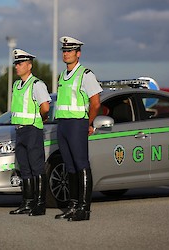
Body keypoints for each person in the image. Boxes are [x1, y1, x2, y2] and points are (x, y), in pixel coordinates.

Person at [54, 36, 102, 221]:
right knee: (69, 166)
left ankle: (84, 209)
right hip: (63, 125)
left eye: (69, 51)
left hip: (77, 124)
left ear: (78, 53)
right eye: (64, 51)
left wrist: (88, 123)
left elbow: (96, 103)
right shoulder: (61, 75)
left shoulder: (85, 74)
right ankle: (72, 206)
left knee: (81, 164)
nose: (66, 54)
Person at [9, 49, 51, 216]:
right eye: (16, 63)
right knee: (24, 168)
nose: (17, 66)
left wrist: (40, 119)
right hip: (19, 130)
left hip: (32, 130)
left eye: (20, 63)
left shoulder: (37, 84)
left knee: (36, 168)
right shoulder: (16, 85)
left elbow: (45, 107)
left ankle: (40, 204)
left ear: (29, 65)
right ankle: (27, 203)